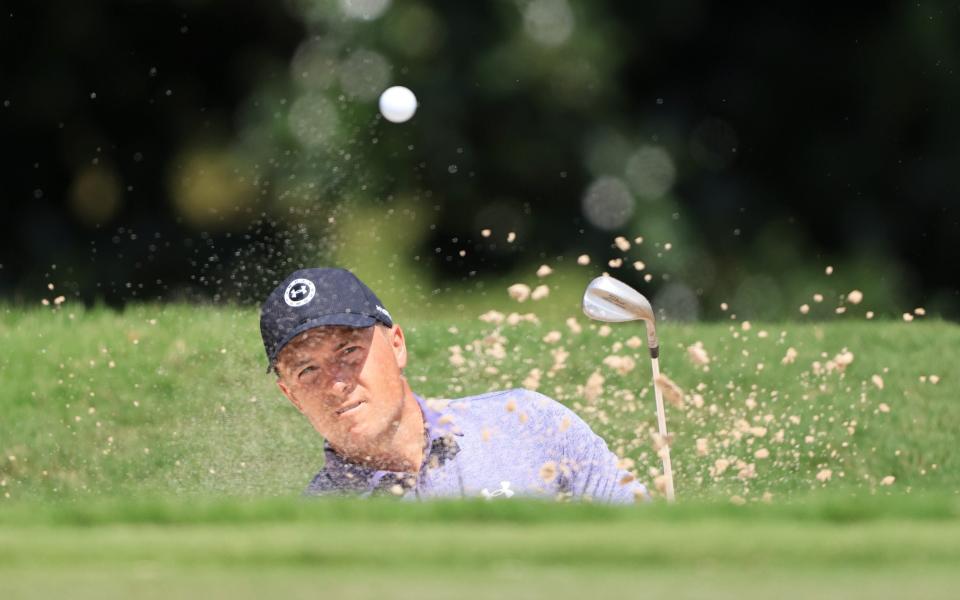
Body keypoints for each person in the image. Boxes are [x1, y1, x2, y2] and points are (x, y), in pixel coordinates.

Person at [260, 267, 649, 503]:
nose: (335, 383)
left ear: (397, 345)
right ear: (291, 395)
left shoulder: (529, 423)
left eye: (348, 350)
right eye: (308, 370)